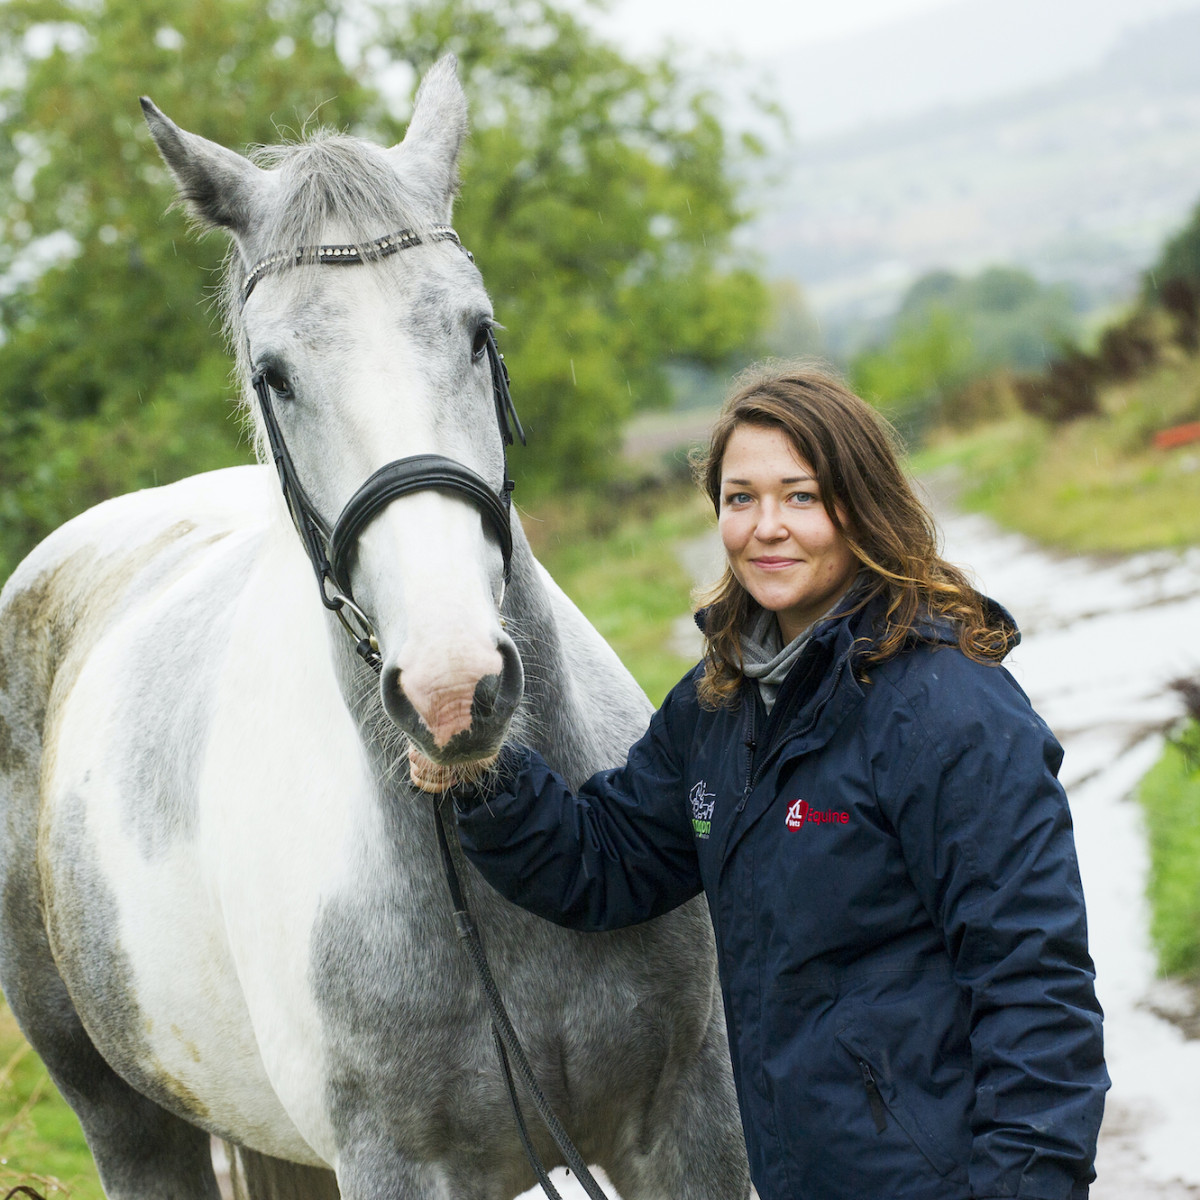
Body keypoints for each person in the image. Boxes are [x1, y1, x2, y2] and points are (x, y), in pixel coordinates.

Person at [410, 364, 1109, 1200]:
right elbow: (605, 862)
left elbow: (1036, 994)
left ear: (862, 503)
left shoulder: (954, 711)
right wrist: (482, 771)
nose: (766, 527)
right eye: (740, 499)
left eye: (801, 497)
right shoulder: (722, 703)